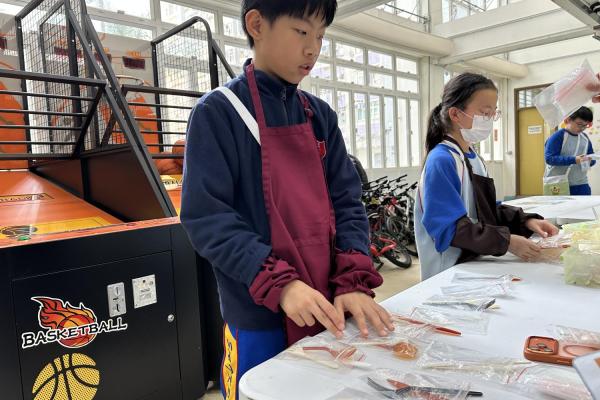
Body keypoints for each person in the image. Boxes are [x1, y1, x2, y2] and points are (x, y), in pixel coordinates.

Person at [180, 1, 393, 398]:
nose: (313, 49)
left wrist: (352, 281)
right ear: (257, 24)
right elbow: (208, 218)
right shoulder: (219, 113)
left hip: (329, 303)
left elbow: (348, 204)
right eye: (301, 32)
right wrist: (281, 284)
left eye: (321, 36)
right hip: (260, 313)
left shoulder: (320, 117)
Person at [414, 73, 559, 280]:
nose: (490, 120)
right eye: (484, 113)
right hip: (449, 271)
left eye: (493, 113)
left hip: (476, 262)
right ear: (455, 114)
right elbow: (449, 229)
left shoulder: (473, 157)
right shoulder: (442, 160)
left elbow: (486, 210)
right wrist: (507, 242)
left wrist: (525, 221)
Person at [544, 107, 596, 195]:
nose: (582, 128)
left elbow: (592, 157)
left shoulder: (585, 138)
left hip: (581, 184)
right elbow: (550, 159)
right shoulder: (557, 136)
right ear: (568, 120)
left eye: (585, 125)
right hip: (558, 183)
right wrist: (574, 159)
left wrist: (590, 161)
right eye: (579, 124)